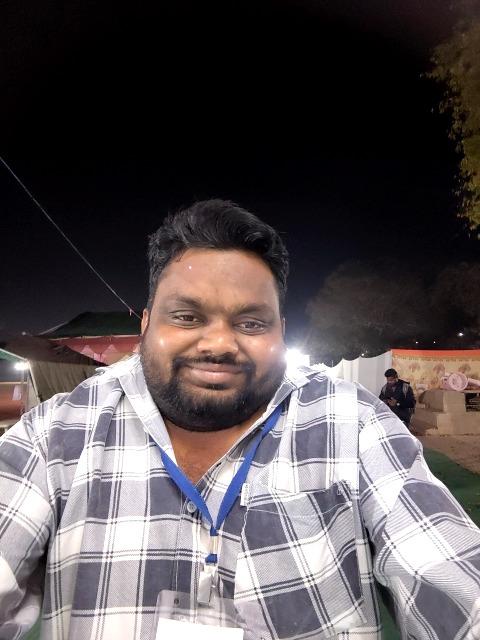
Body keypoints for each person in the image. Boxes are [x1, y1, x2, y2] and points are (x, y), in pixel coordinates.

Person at [1, 199, 480, 640]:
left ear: (281, 332)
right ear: (146, 325)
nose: (219, 344)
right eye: (187, 317)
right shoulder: (57, 434)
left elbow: (446, 568)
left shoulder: (350, 422)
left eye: (251, 323)